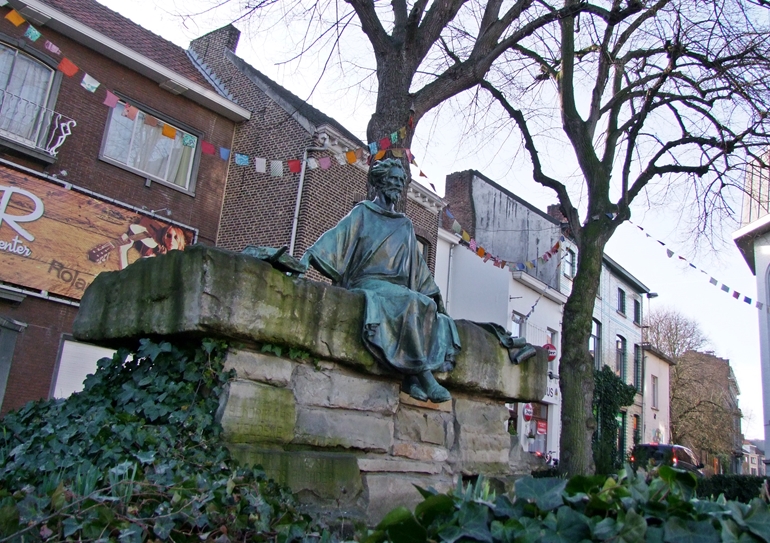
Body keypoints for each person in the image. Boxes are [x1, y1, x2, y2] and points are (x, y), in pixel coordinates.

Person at [300, 159, 460, 402]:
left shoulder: (405, 225)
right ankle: (424, 377)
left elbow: (419, 267)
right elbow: (336, 238)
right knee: (406, 301)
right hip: (369, 283)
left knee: (425, 304)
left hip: (396, 288)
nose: (397, 184)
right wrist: (308, 257)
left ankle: (409, 378)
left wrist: (435, 295)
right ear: (381, 181)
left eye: (401, 181)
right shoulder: (362, 212)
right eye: (393, 179)